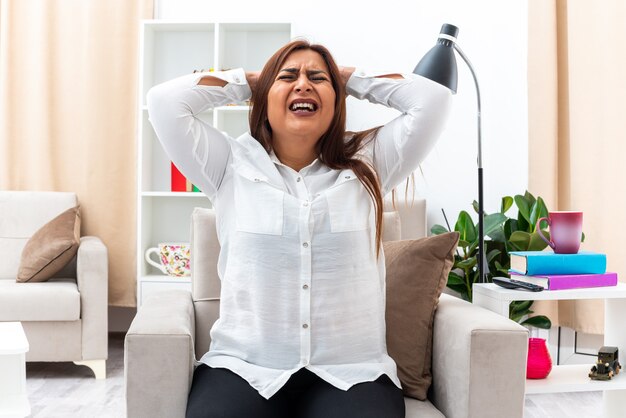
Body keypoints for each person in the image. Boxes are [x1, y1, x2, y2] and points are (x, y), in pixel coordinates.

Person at [147, 39, 451, 418]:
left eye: (317, 79)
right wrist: (250, 80)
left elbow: (433, 100)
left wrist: (346, 78)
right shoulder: (227, 164)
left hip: (351, 373)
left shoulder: (371, 161)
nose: (303, 85)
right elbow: (164, 102)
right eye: (287, 77)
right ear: (263, 97)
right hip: (245, 368)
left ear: (337, 101)